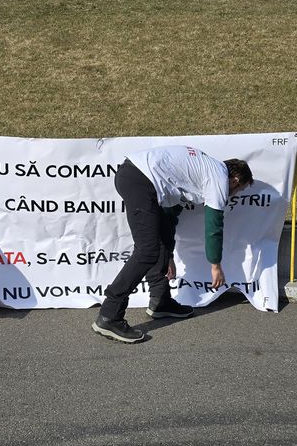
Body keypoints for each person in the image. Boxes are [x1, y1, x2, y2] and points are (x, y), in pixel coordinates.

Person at [93, 146, 253, 344]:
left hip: (137, 177)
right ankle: (109, 315)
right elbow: (214, 227)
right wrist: (215, 266)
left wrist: (168, 255)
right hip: (139, 179)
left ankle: (160, 301)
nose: (233, 196)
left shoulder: (199, 172)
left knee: (157, 244)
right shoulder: (218, 178)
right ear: (236, 180)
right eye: (238, 191)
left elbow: (168, 217)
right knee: (147, 252)